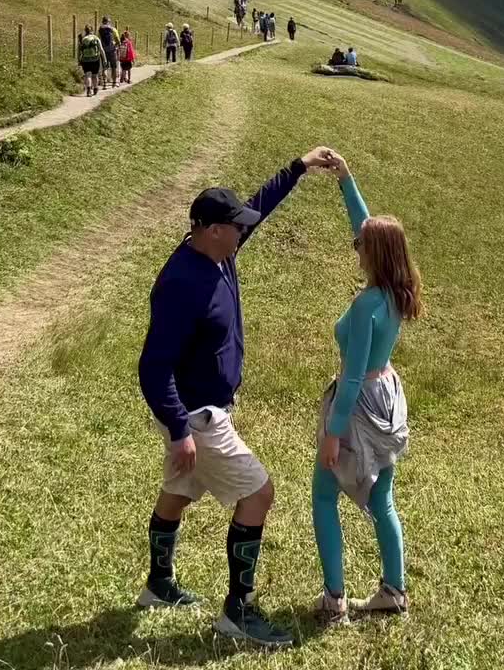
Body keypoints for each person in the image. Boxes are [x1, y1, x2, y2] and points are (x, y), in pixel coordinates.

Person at [137, 146, 337, 647]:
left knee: (179, 491)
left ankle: (158, 586)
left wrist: (300, 166)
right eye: (235, 227)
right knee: (258, 494)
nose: (243, 232)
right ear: (210, 229)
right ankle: (238, 612)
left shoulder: (217, 251)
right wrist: (181, 429)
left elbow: (259, 206)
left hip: (198, 412)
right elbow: (153, 366)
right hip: (198, 416)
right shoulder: (184, 282)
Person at [312, 154, 422, 624]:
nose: (354, 247)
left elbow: (352, 376)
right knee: (383, 500)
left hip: (357, 406)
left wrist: (334, 434)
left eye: (360, 245)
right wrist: (346, 182)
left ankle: (334, 599)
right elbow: (371, 228)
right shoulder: (395, 292)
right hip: (387, 396)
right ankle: (393, 591)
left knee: (323, 494)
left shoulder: (365, 307)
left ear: (373, 254)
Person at [78, 25, 103, 97]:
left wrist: (79, 60)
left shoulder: (83, 39)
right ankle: (95, 88)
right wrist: (104, 59)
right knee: (95, 75)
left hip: (85, 59)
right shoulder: (96, 38)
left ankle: (88, 90)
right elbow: (101, 50)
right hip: (95, 59)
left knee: (88, 75)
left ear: (85, 31)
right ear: (92, 30)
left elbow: (80, 51)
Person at [98, 16, 120, 87]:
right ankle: (114, 83)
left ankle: (104, 83)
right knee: (114, 67)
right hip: (112, 50)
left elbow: (98, 40)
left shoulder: (100, 30)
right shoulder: (113, 29)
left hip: (103, 51)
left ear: (103, 21)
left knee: (105, 67)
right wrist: (116, 45)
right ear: (109, 22)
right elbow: (118, 40)